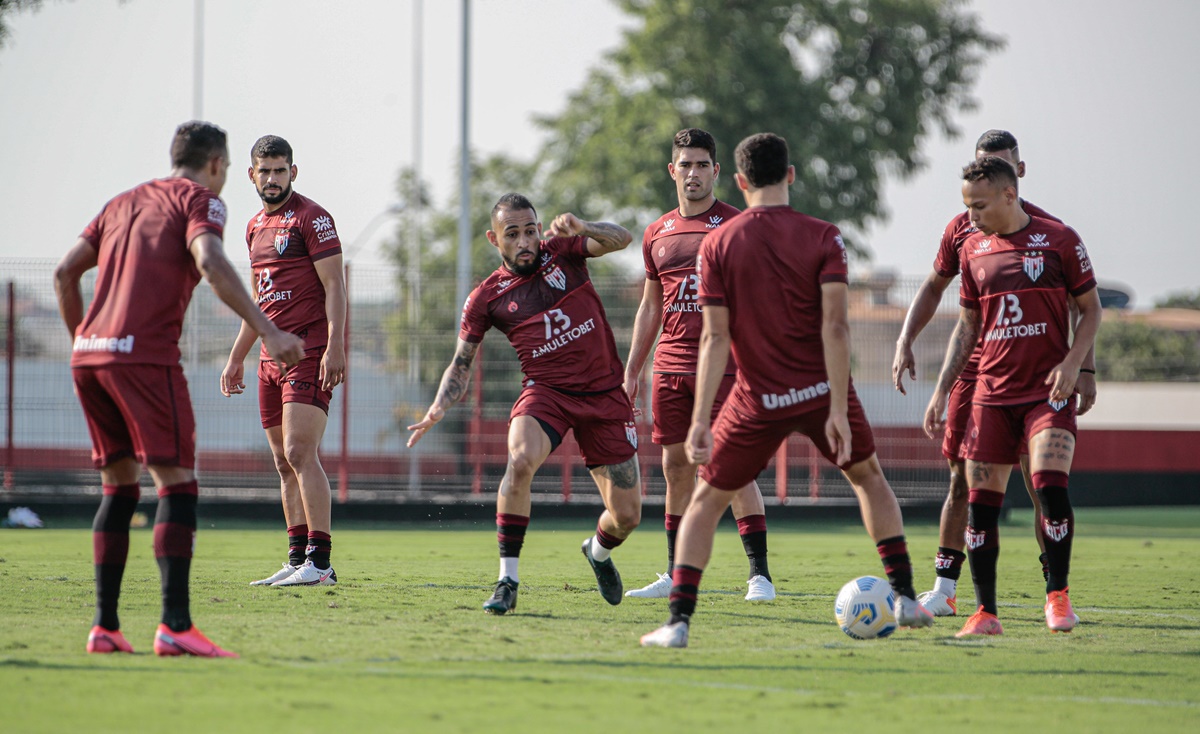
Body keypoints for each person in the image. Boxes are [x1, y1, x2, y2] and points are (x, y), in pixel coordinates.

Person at [640, 133, 934, 648]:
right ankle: (907, 597)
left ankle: (678, 624)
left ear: (738, 181)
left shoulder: (719, 242)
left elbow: (714, 337)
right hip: (820, 390)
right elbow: (837, 328)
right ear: (791, 175)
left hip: (756, 396)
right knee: (869, 479)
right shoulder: (824, 235)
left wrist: (703, 422)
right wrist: (840, 407)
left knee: (706, 501)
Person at [54, 121, 305, 657]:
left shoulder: (121, 201)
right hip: (145, 358)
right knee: (177, 485)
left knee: (120, 488)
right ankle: (175, 626)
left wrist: (84, 340)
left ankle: (105, 627)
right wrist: (270, 331)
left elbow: (63, 274)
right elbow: (210, 262)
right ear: (216, 164)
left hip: (89, 359)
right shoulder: (200, 200)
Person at [891, 129, 1098, 616]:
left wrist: (1082, 366)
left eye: (997, 166)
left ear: (1015, 176)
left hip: (1039, 377)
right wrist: (907, 342)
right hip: (978, 379)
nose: (973, 210)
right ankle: (946, 590)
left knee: (1039, 482)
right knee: (963, 481)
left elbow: (1081, 305)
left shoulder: (1052, 235)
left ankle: (1055, 588)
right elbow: (941, 294)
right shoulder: (964, 232)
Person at [407, 193, 642, 615]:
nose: (525, 241)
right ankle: (507, 581)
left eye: (530, 230)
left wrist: (583, 226)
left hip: (604, 395)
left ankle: (598, 552)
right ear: (494, 240)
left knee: (626, 517)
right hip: (546, 393)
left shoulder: (564, 252)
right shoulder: (487, 298)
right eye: (512, 234)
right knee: (519, 460)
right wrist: (438, 408)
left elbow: (623, 239)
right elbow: (460, 365)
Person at [623, 128, 774, 602]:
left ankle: (760, 576)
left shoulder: (737, 225)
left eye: (701, 164)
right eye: (684, 164)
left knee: (735, 467)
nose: (692, 173)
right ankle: (674, 573)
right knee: (675, 468)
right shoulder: (657, 232)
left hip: (725, 367)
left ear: (716, 172)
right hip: (669, 368)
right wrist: (631, 370)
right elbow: (651, 307)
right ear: (673, 171)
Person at [220, 135, 347, 588]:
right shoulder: (254, 225)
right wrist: (237, 357)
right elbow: (260, 304)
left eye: (280, 170)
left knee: (299, 452)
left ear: (294, 171)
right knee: (281, 461)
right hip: (269, 360)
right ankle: (296, 559)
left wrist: (335, 345)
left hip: (309, 349)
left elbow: (335, 286)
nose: (272, 178)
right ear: (251, 175)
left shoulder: (313, 218)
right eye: (264, 171)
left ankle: (321, 561)